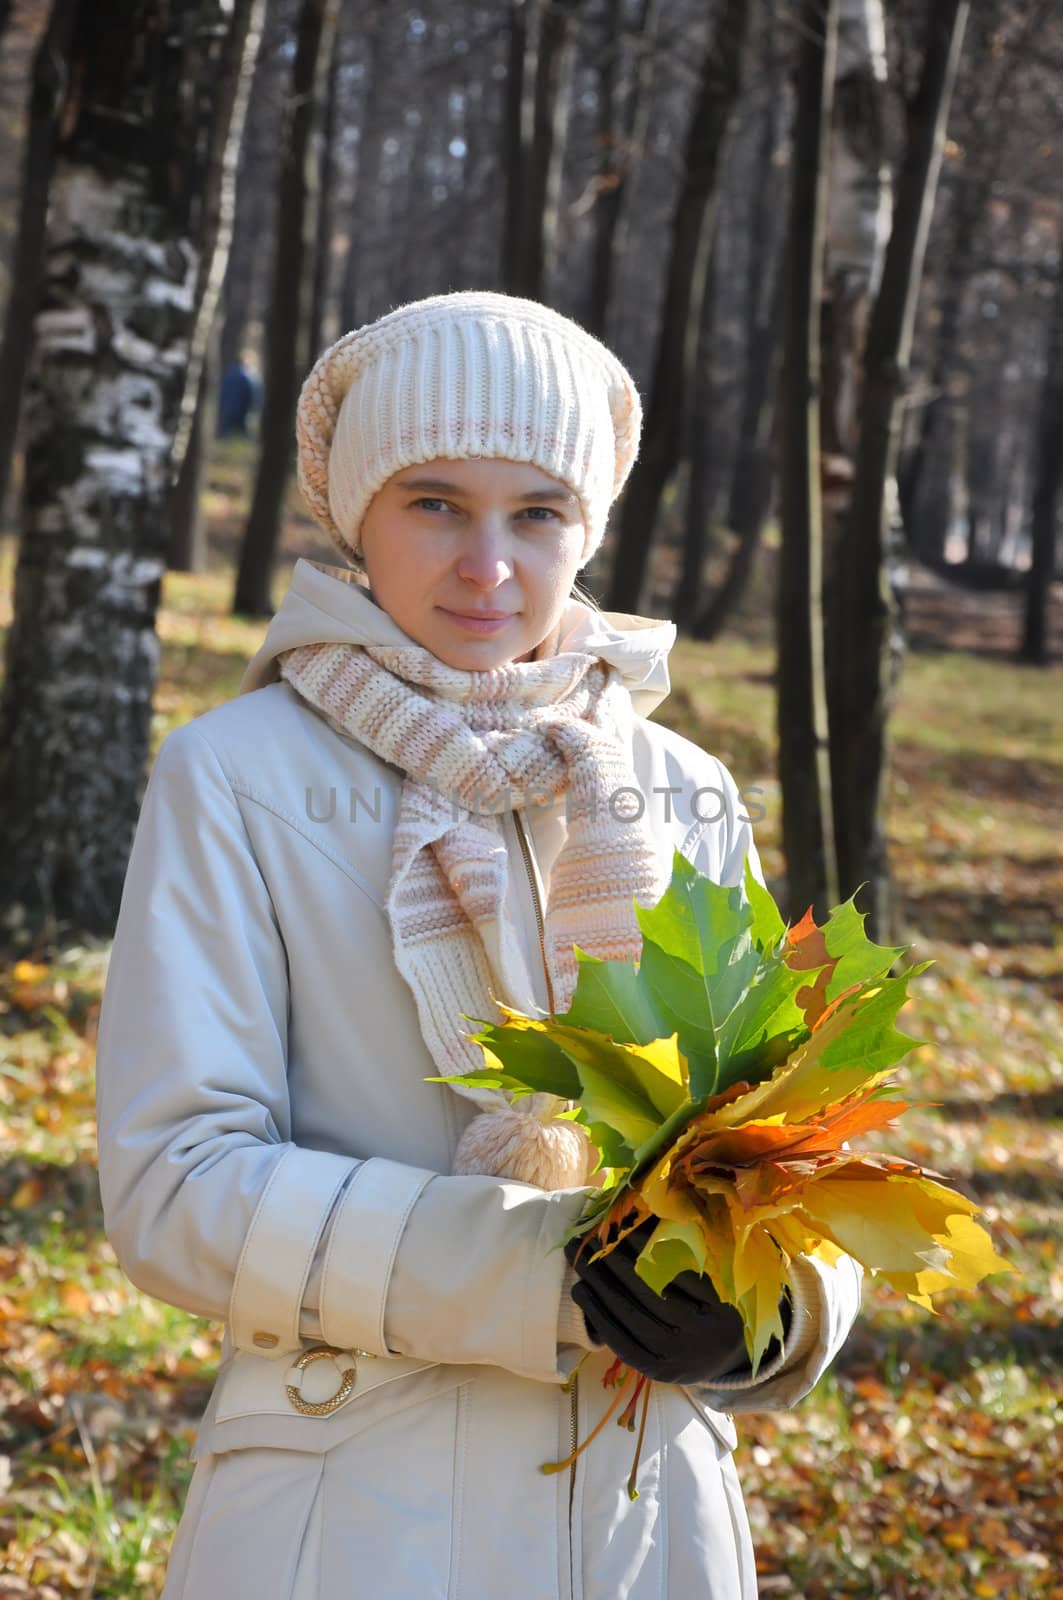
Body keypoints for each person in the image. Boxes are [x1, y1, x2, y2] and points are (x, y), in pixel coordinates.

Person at [95, 289, 862, 1600]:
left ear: (591, 525)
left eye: (538, 513)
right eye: (435, 502)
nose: (488, 567)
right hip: (352, 1516)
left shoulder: (681, 790)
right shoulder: (235, 776)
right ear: (355, 513)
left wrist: (773, 1313)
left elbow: (792, 1148)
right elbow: (177, 1184)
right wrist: (548, 1273)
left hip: (643, 1519)